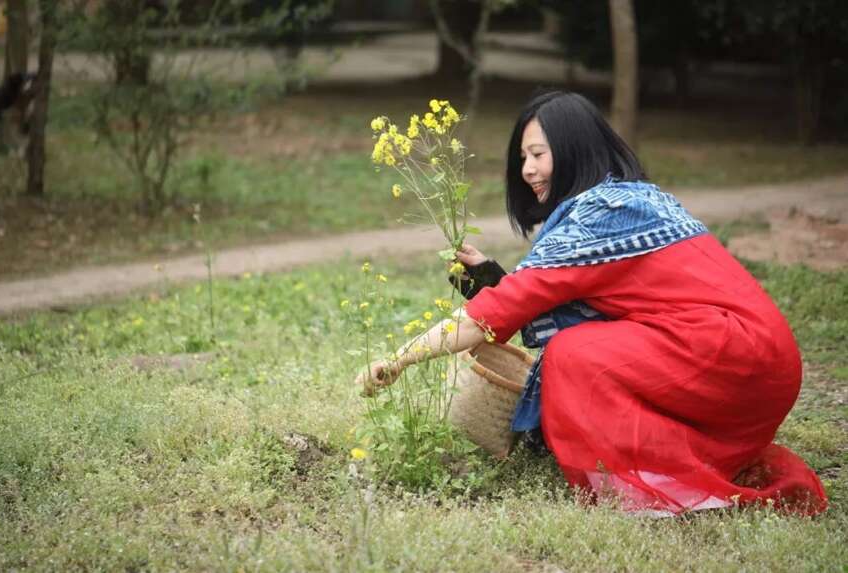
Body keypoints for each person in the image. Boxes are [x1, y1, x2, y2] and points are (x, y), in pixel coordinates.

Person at [354, 91, 827, 516]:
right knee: (583, 346)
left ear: (574, 148)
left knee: (574, 357)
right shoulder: (633, 200)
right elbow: (573, 297)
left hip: (733, 359)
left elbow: (490, 318)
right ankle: (673, 456)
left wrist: (399, 360)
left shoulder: (594, 223)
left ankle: (644, 481)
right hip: (763, 362)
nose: (527, 170)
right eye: (523, 157)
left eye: (538, 154)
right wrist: (495, 280)